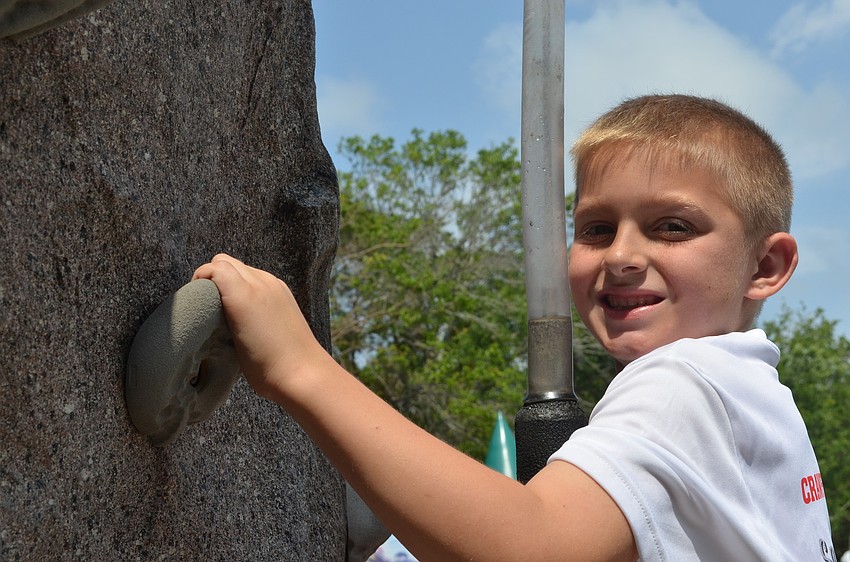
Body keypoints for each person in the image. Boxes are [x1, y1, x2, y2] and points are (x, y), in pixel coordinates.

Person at [193, 94, 835, 561]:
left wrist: (299, 368)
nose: (620, 255)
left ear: (767, 265)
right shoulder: (760, 398)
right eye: (596, 228)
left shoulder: (685, 382)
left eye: (674, 227)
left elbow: (531, 548)